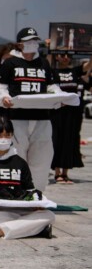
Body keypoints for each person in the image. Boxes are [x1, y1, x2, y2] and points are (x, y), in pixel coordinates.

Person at [0, 27, 62, 191]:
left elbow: (52, 87)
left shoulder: (43, 63)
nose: (32, 44)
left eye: (34, 40)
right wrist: (3, 98)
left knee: (42, 157)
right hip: (18, 118)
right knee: (17, 156)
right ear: (19, 44)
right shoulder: (10, 63)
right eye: (28, 41)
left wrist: (59, 97)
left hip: (42, 118)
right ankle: (17, 192)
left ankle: (36, 193)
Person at [0, 116, 55, 240]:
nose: (3, 139)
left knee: (49, 215)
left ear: (12, 136)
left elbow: (30, 192)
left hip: (21, 211)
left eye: (7, 135)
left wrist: (37, 204)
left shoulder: (20, 163)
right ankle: (33, 230)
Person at [50, 54, 91, 183]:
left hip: (73, 114)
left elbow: (89, 65)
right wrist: (51, 50)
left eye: (68, 55)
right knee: (56, 140)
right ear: (57, 57)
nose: (65, 57)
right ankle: (57, 172)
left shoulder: (75, 71)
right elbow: (45, 63)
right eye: (62, 55)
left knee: (69, 141)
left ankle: (65, 173)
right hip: (56, 112)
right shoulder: (53, 72)